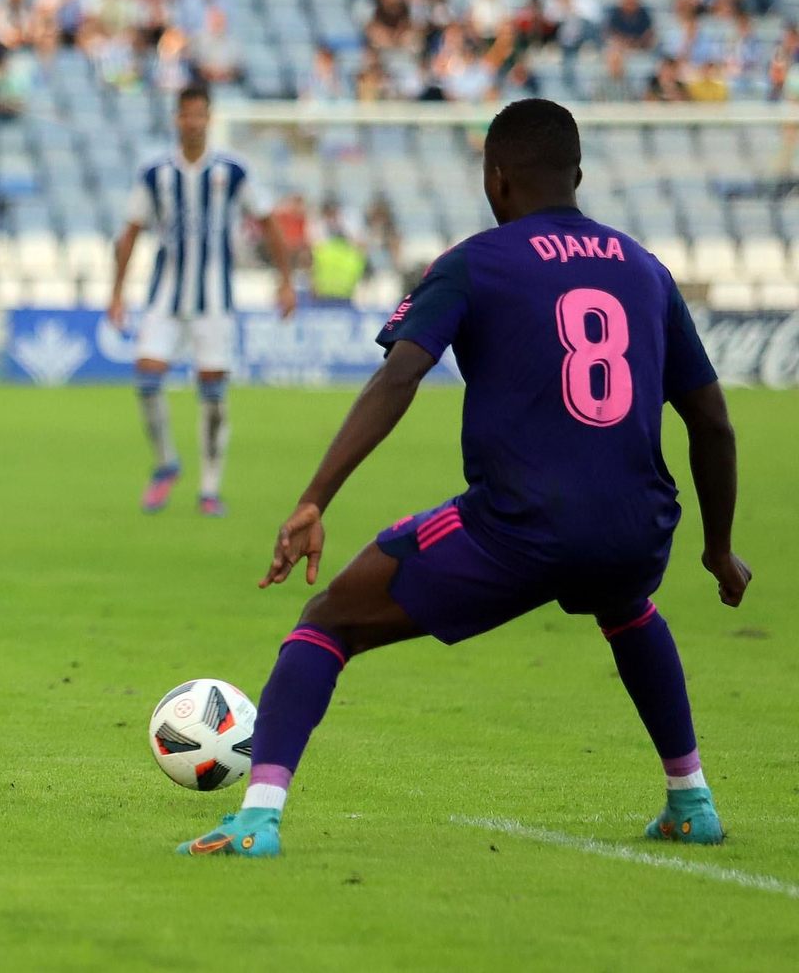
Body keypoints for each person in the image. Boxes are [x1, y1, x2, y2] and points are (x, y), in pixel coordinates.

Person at [178, 99, 749, 858]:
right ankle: (691, 797)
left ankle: (256, 819)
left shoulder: (475, 261)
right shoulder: (646, 270)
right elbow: (711, 420)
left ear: (495, 177)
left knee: (328, 618)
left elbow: (400, 376)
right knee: (627, 604)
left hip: (517, 528)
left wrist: (316, 496)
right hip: (637, 525)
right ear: (578, 175)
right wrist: (718, 548)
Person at [109, 83, 296, 518]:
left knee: (212, 392)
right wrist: (117, 292)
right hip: (165, 296)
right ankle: (166, 463)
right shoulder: (155, 171)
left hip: (215, 300)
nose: (192, 121)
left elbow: (269, 223)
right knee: (147, 376)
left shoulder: (233, 170)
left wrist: (285, 281)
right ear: (176, 118)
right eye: (185, 114)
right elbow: (131, 230)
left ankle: (210, 488)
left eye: (199, 114)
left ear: (209, 118)